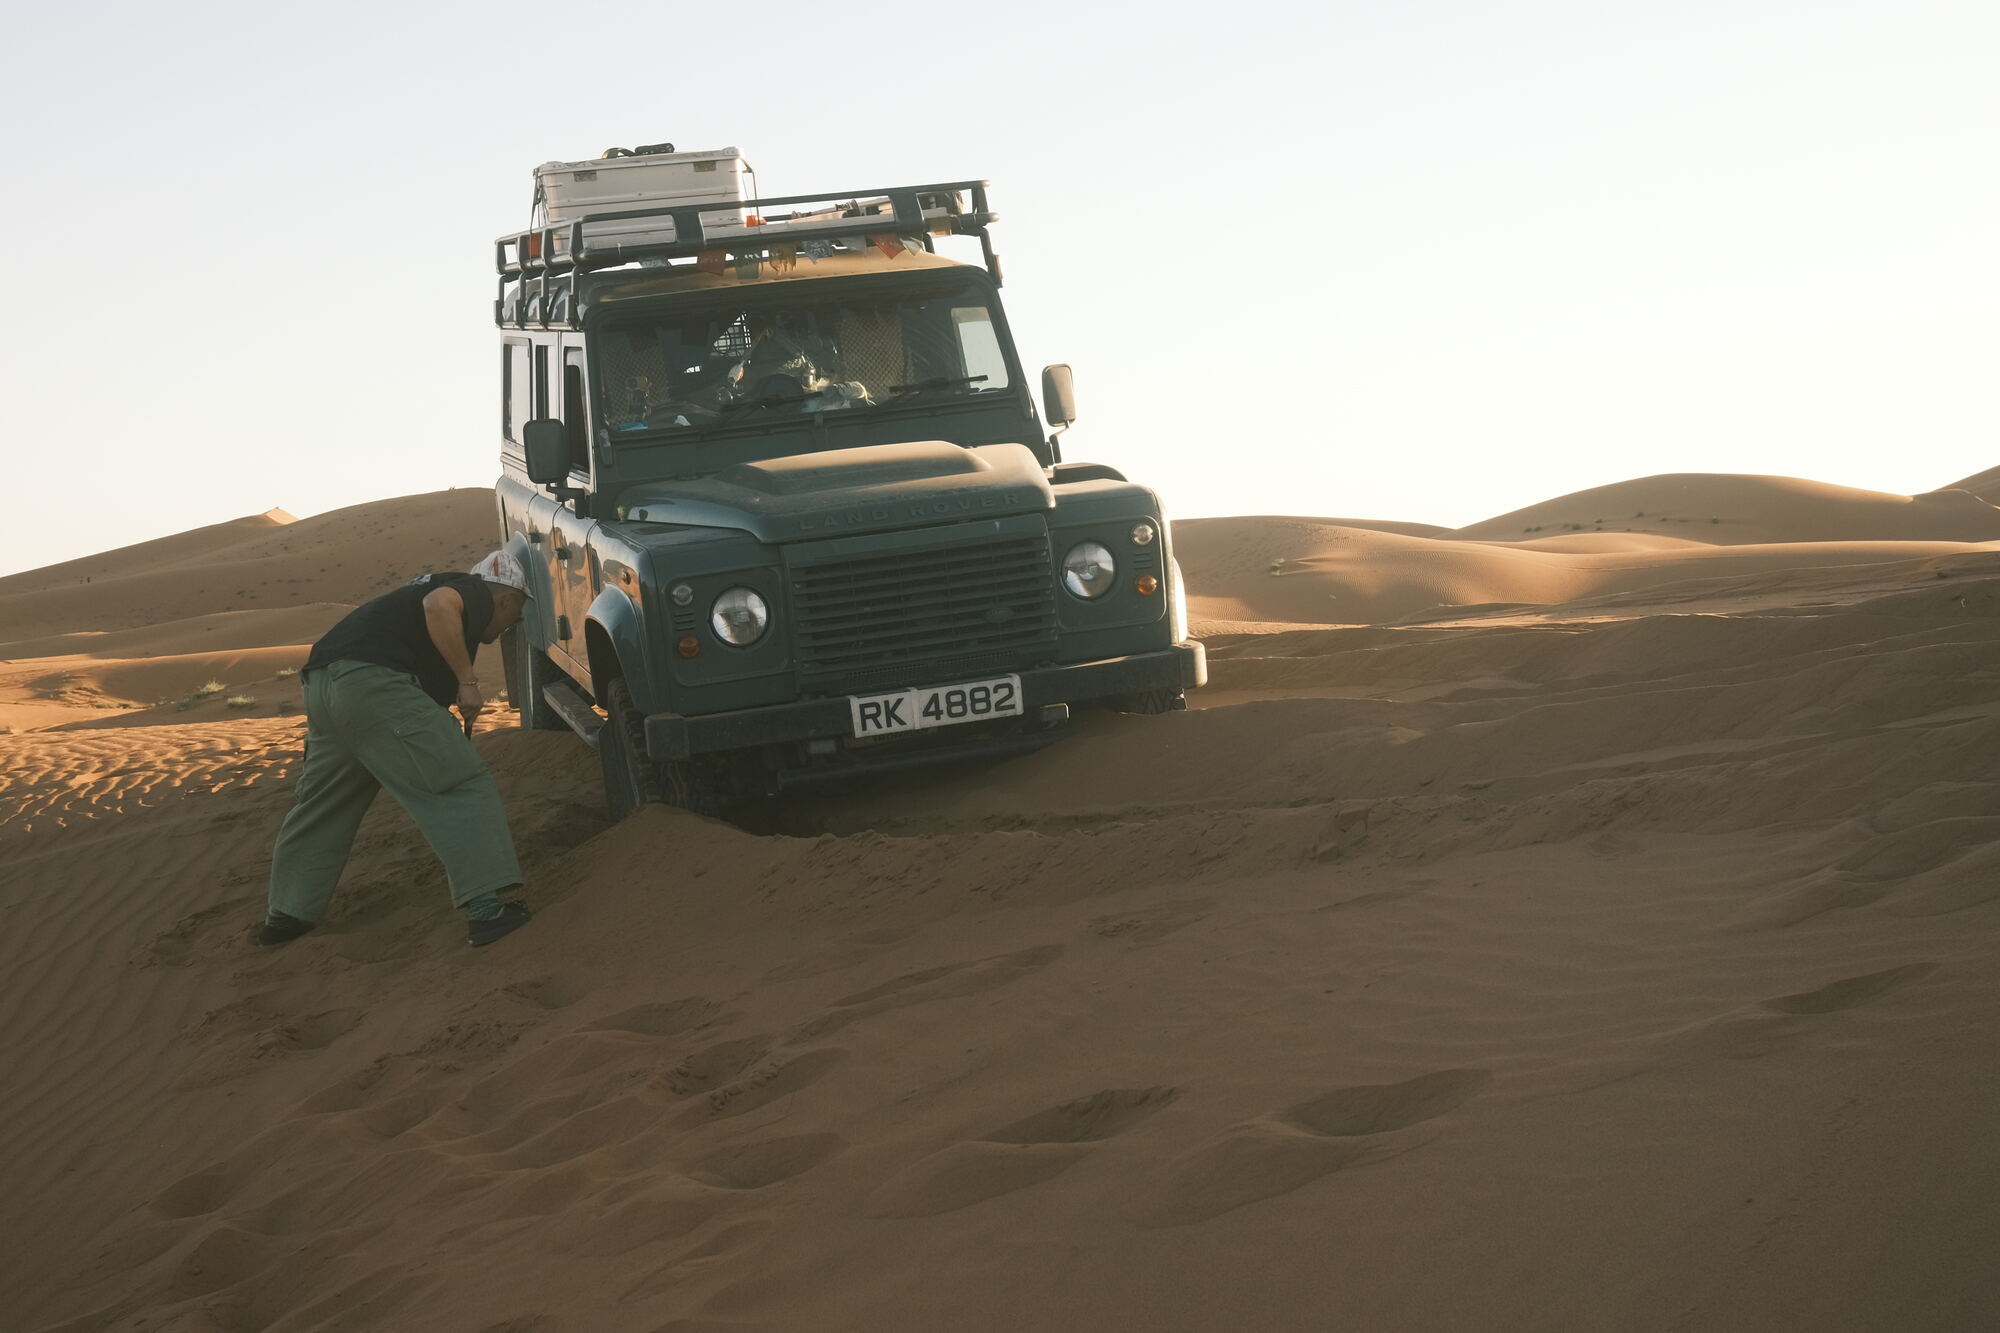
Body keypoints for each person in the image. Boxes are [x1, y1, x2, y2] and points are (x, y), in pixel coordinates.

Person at [254, 551, 534, 949]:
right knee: (459, 782)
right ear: (507, 599)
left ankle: (286, 915)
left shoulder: (428, 594)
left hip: (323, 685)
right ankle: (488, 911)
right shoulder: (472, 592)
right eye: (517, 615)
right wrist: (468, 682)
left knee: (324, 801)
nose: (511, 624)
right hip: (371, 685)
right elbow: (438, 606)